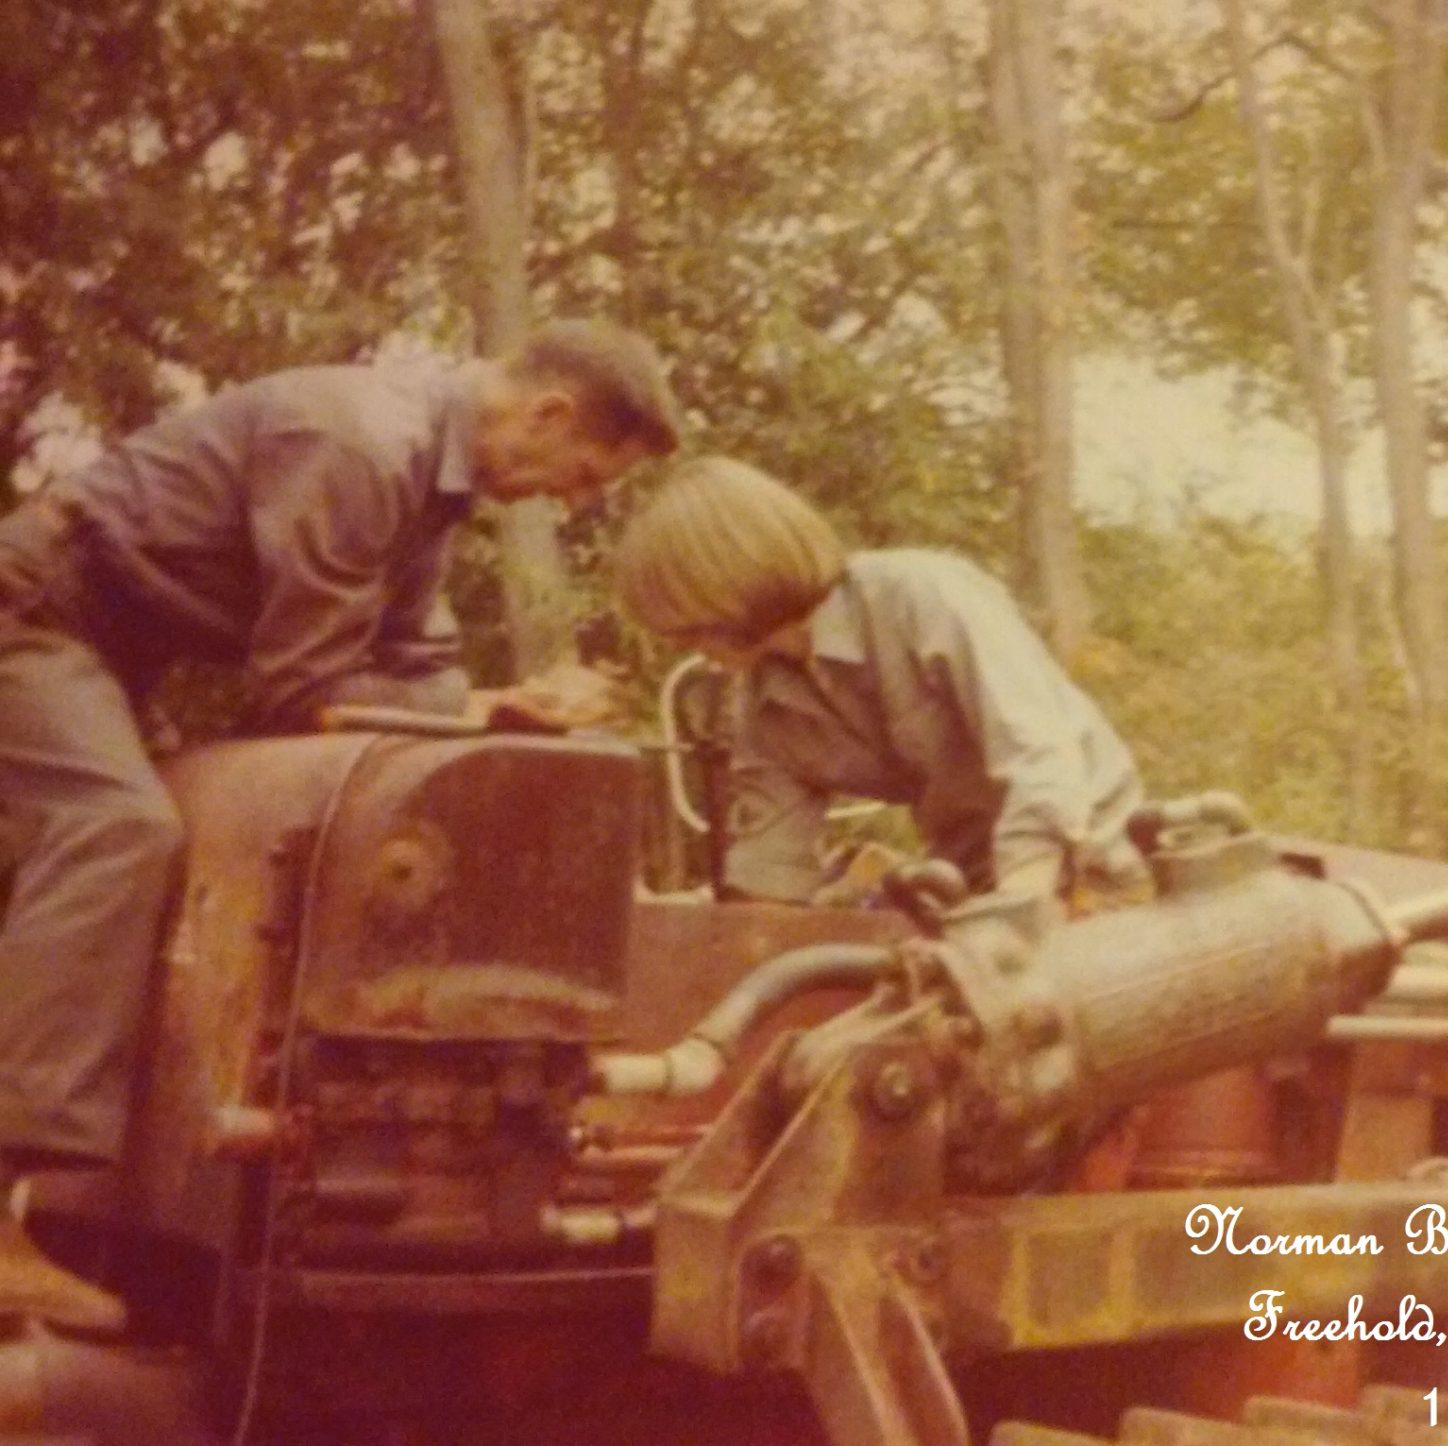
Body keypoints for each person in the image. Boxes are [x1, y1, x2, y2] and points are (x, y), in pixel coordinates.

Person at [0, 319, 681, 1330]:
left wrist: (502, 707)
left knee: (159, 857)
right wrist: (466, 711)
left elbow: (415, 665)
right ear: (548, 413)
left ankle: (67, 1213)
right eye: (583, 472)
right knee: (117, 834)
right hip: (38, 615)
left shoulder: (429, 497)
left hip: (112, 651)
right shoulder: (361, 442)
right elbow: (302, 686)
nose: (570, 500)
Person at [616, 455, 1148, 909]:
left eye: (690, 626)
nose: (687, 647)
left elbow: (1042, 758)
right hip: (976, 882)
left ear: (729, 576)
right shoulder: (764, 704)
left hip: (1098, 859)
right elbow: (768, 870)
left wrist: (1016, 914)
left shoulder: (924, 597)